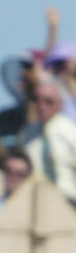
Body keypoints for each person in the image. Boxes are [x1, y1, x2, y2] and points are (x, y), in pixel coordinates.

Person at [24, 71, 76, 206]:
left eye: (48, 101)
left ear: (60, 104)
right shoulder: (29, 134)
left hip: (67, 201)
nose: (41, 106)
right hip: (36, 202)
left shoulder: (70, 132)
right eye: (37, 100)